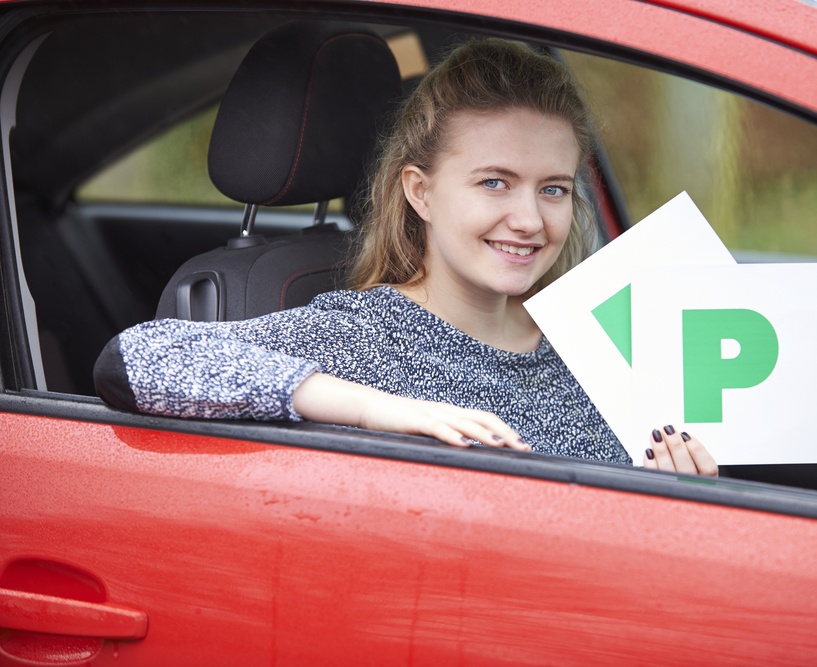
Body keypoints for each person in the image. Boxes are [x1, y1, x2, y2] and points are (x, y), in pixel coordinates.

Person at [94, 38, 717, 477]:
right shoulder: (367, 338)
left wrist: (682, 496)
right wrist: (382, 410)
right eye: (494, 182)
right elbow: (136, 360)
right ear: (420, 191)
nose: (530, 220)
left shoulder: (598, 334)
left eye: (552, 188)